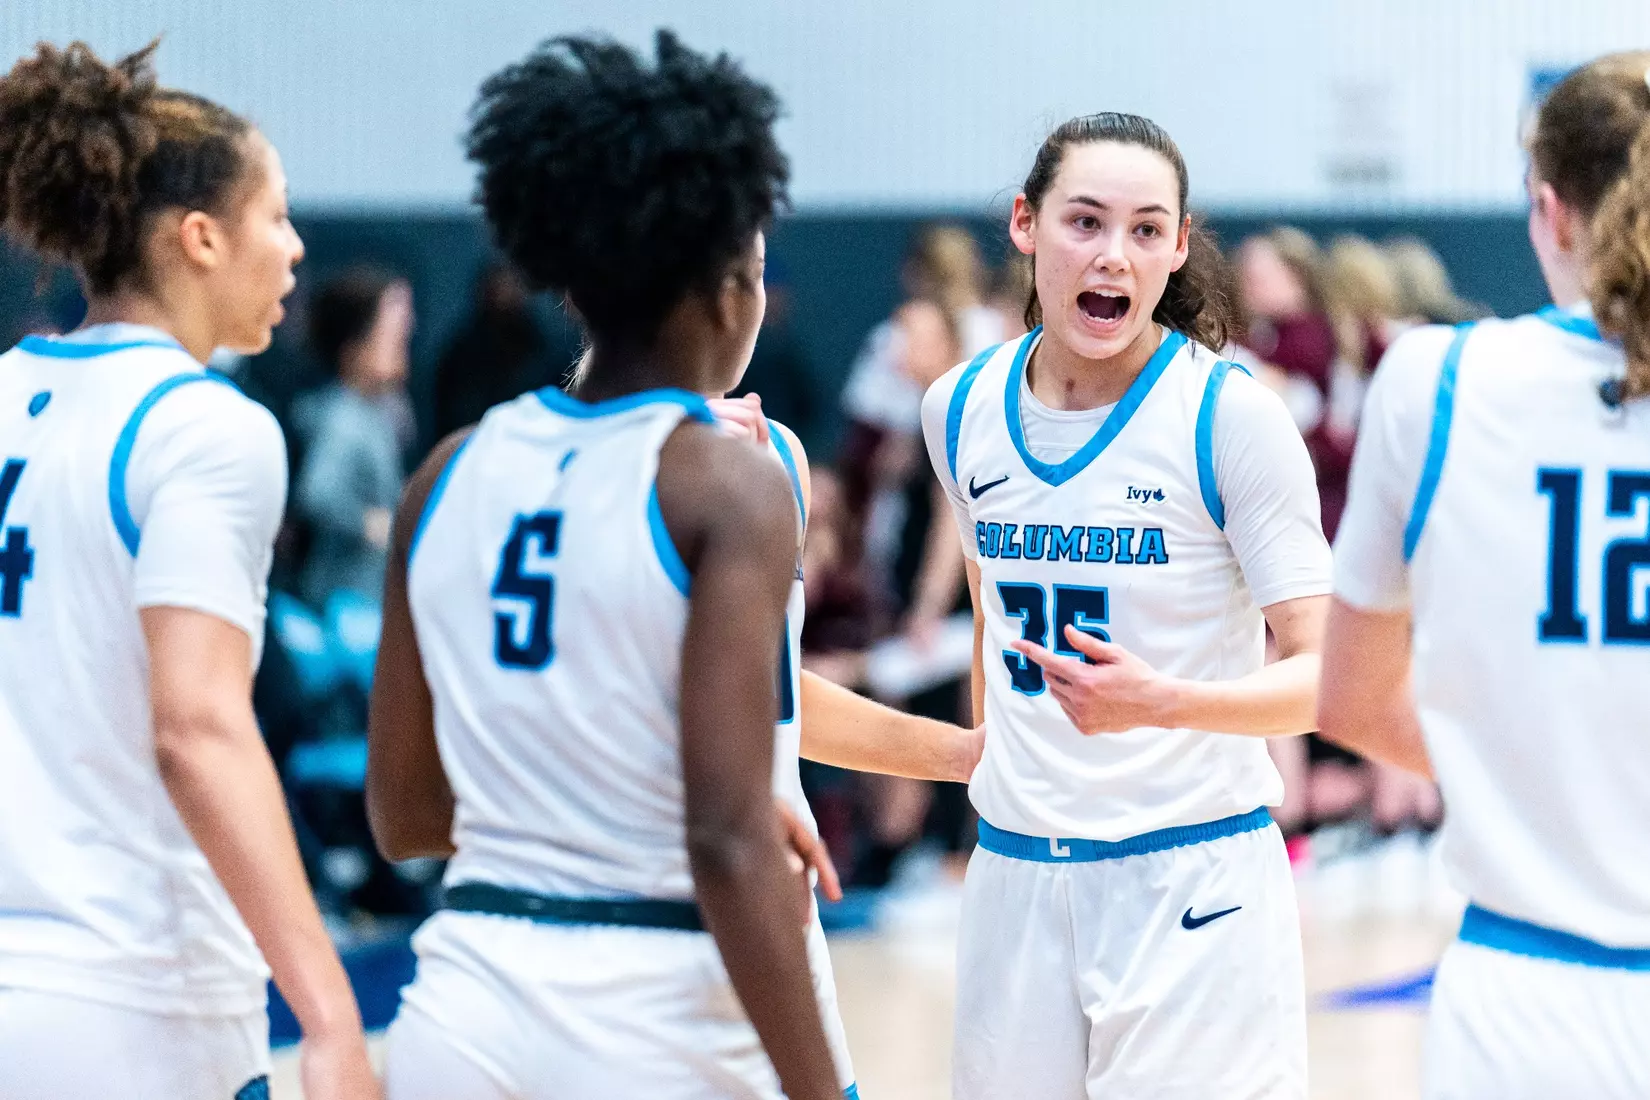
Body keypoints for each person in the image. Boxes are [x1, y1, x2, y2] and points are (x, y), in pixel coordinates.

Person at [365, 32, 842, 1100]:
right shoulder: (727, 481)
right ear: (729, 291)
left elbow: (401, 814)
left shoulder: (444, 472)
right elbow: (726, 837)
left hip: (461, 1004)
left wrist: (562, 809)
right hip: (651, 1013)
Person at [920, 113, 1333, 1098]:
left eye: (1148, 229)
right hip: (1016, 877)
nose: (1115, 254)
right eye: (1086, 222)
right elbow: (992, 621)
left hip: (1191, 879)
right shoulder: (958, 407)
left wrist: (1168, 702)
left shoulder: (1228, 417)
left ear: (1180, 244)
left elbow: (1327, 674)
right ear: (1025, 224)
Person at [0, 40, 376, 1100]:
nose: (296, 248)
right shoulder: (207, 427)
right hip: (140, 1006)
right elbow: (198, 727)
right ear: (202, 236)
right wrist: (331, 1013)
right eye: (278, 214)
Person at [1319, 51, 1650, 1098]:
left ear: (1549, 209)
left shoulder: (1435, 380)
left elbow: (1350, 698)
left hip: (1522, 996)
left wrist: (1517, 759)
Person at [294, 267, 414, 606]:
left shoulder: (380, 410)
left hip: (369, 594)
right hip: (346, 604)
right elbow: (317, 492)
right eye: (390, 335)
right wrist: (369, 523)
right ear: (354, 347)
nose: (402, 343)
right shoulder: (342, 417)